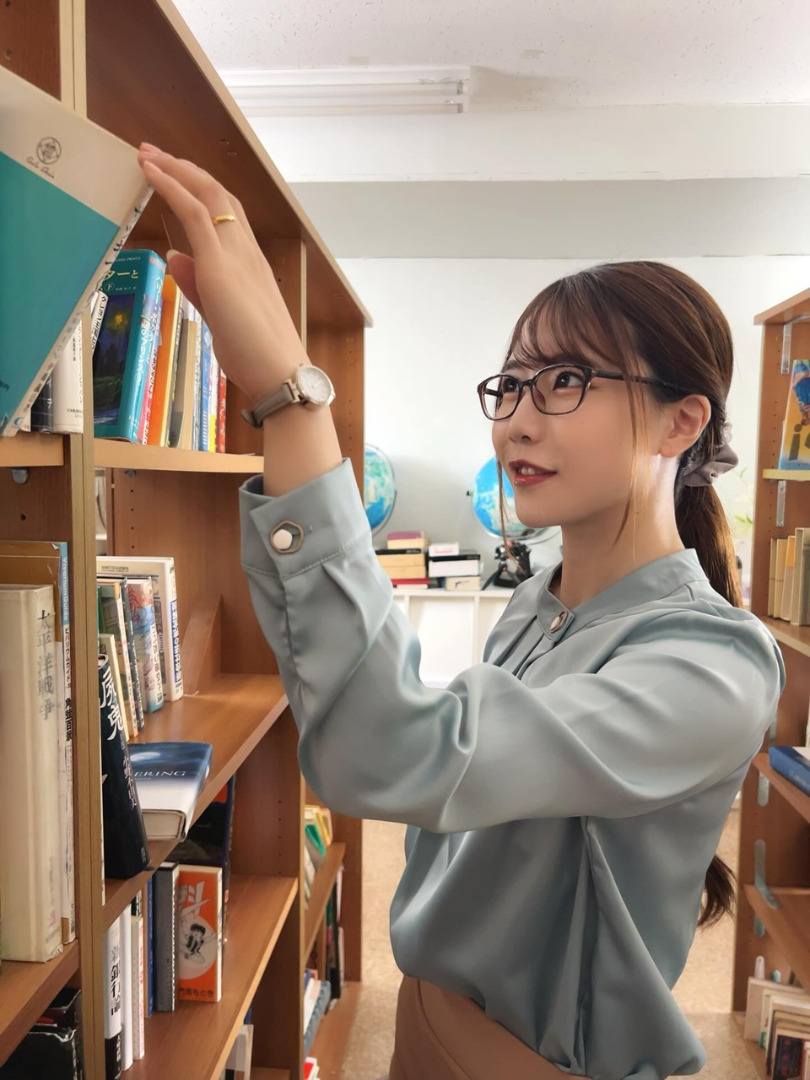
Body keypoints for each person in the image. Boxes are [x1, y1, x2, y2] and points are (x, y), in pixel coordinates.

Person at [137, 145, 784, 1080]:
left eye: (566, 381)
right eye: (512, 384)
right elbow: (360, 710)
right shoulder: (535, 603)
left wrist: (292, 396)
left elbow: (390, 751)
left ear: (683, 422)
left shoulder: (716, 664)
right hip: (425, 1024)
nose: (517, 418)